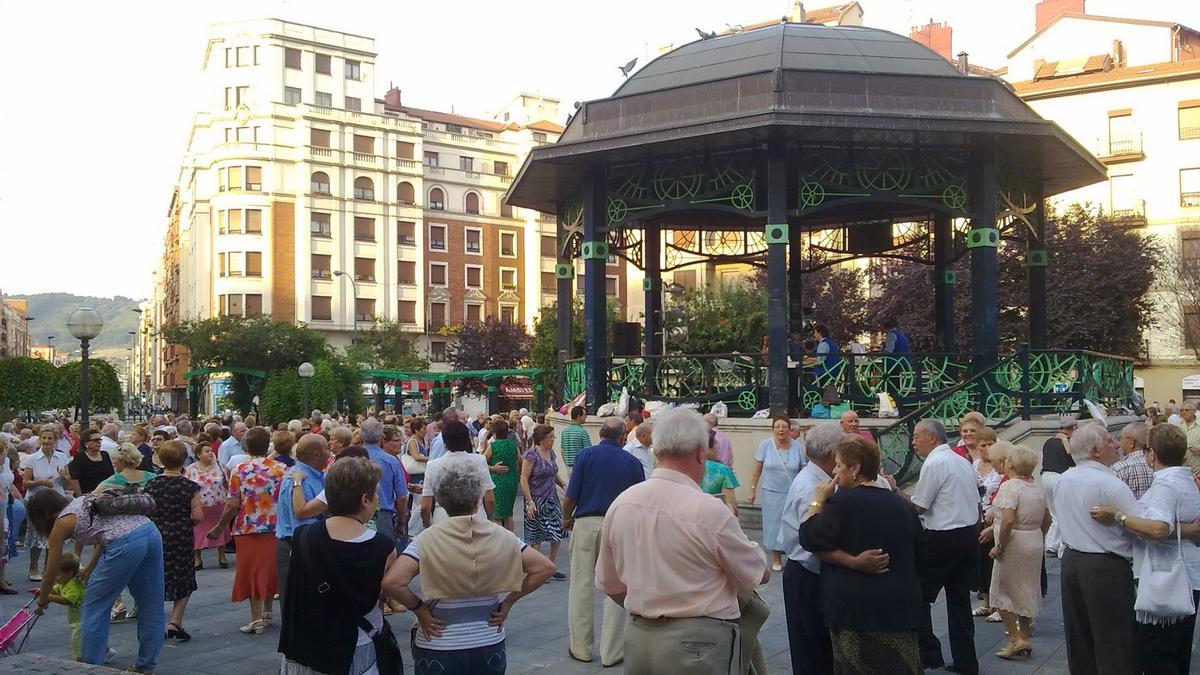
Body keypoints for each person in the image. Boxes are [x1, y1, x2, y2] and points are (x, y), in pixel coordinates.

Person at [596, 407, 768, 675]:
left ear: (656, 450)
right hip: (698, 642)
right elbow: (759, 572)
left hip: (640, 636)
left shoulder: (622, 504)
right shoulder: (708, 511)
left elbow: (610, 584)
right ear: (701, 452)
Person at [383, 453, 556, 674]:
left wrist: (420, 609)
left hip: (440, 640)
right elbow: (545, 568)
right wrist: (510, 601)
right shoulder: (503, 536)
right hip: (488, 637)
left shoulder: (427, 539)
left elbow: (392, 582)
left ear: (441, 501)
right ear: (477, 500)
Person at [799, 435, 924, 674]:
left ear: (854, 468)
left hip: (854, 610)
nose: (834, 471)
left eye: (838, 465)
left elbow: (809, 537)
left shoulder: (841, 503)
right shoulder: (901, 504)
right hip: (898, 606)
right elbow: (920, 550)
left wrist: (816, 502)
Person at [1090, 423, 1200, 675]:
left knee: (1156, 653)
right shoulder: (1185, 479)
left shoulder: (1166, 485)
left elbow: (1159, 528)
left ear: (1152, 454)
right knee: (1175, 650)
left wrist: (1118, 516)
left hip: (1167, 576)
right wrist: (1187, 530)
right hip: (1185, 574)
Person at [781, 422, 889, 675]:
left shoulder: (822, 481)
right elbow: (813, 542)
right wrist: (854, 562)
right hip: (808, 575)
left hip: (813, 573)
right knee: (813, 651)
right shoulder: (814, 487)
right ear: (833, 454)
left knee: (820, 650)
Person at [279, 456, 399, 675]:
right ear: (365, 499)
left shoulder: (302, 536)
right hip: (354, 647)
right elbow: (386, 593)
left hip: (304, 648)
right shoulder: (383, 547)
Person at [27, 485, 165, 671]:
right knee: (151, 604)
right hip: (150, 531)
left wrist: (42, 602)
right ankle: (146, 666)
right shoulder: (82, 501)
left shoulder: (61, 523)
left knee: (95, 606)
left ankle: (92, 667)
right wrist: (90, 568)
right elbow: (103, 536)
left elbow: (50, 573)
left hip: (125, 543)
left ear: (39, 516)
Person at [1052, 422, 1140, 674]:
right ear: (1095, 451)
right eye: (1110, 442)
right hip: (1105, 566)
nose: (1116, 446)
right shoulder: (1109, 484)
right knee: (1114, 639)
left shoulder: (1064, 479)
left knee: (1079, 637)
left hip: (1072, 561)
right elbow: (1138, 524)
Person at [564, 417, 645, 666]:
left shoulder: (585, 456)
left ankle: (581, 648)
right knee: (617, 587)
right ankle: (612, 651)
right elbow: (639, 500)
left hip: (587, 521)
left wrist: (567, 518)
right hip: (619, 525)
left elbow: (571, 494)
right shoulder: (633, 462)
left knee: (580, 584)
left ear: (600, 433)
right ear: (623, 438)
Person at [907, 419, 979, 674]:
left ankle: (928, 654)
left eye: (916, 436)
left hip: (944, 537)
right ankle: (966, 661)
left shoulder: (935, 463)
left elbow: (919, 506)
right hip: (969, 534)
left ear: (931, 437)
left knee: (918, 595)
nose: (913, 442)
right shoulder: (961, 460)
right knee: (959, 600)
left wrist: (894, 491)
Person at [206, 426, 286, 635]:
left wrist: (219, 527)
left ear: (247, 446)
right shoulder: (280, 469)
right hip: (274, 526)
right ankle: (268, 611)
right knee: (269, 569)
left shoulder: (240, 470)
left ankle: (256, 618)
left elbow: (233, 504)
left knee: (251, 571)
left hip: (248, 527)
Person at [986, 443, 1049, 660]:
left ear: (1012, 463)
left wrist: (999, 545)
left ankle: (1015, 638)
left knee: (1001, 590)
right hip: (1033, 539)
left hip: (1015, 543)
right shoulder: (1036, 487)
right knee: (1026, 589)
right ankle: (1023, 634)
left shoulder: (1011, 487)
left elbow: (1008, 519)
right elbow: (1047, 519)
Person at [144, 441, 202, 643]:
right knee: (184, 577)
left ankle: (156, 621)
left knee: (157, 577)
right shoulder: (190, 486)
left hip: (157, 535)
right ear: (184, 460)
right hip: (181, 536)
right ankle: (175, 621)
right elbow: (197, 516)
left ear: (160, 460)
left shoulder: (151, 484)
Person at [275, 433, 330, 609]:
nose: (329, 453)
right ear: (316, 454)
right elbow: (301, 514)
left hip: (297, 542)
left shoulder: (303, 474)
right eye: (327, 449)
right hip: (300, 544)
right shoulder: (302, 478)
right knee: (300, 599)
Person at [749, 415, 805, 571]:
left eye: (784, 426)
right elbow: (756, 470)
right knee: (773, 524)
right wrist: (752, 490)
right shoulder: (765, 445)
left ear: (789, 429)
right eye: (777, 426)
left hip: (792, 492)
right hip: (771, 492)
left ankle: (793, 554)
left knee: (793, 524)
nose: (781, 430)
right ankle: (776, 557)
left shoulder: (798, 447)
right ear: (773, 429)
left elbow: (803, 470)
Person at [21, 424, 72, 581]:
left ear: (55, 440)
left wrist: (64, 477)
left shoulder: (62, 457)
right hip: (37, 501)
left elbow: (67, 482)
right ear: (40, 439)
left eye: (50, 438)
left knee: (54, 535)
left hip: (56, 500)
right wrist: (40, 481)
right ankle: (33, 568)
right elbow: (25, 482)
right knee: (37, 535)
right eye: (44, 438)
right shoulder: (32, 458)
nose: (46, 441)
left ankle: (49, 568)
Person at [421, 422, 496, 527]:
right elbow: (489, 498)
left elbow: (425, 506)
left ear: (444, 442)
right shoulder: (479, 460)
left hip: (443, 520)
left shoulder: (432, 465)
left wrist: (427, 524)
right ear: (466, 440)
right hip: (476, 517)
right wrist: (490, 518)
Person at [520, 424, 567, 579]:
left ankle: (551, 565)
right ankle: (538, 569)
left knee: (558, 531)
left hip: (551, 498)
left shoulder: (551, 453)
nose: (553, 439)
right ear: (542, 438)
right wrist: (530, 502)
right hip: (536, 499)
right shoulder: (531, 455)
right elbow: (524, 479)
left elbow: (553, 473)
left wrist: (564, 484)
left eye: (553, 436)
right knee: (536, 536)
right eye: (550, 437)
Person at [359, 418, 408, 546]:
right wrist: (401, 522)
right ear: (381, 437)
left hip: (355, 515)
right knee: (385, 557)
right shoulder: (391, 461)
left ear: (361, 436)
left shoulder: (353, 458)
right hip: (383, 516)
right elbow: (402, 497)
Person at [184, 440, 230, 569]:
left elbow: (227, 482)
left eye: (211, 451)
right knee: (198, 531)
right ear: (198, 454)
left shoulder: (219, 466)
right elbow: (187, 485)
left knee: (220, 528)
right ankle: (197, 558)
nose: (210, 453)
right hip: (200, 506)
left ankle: (222, 556)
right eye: (207, 451)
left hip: (218, 504)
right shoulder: (191, 469)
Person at [972, 427, 1002, 620]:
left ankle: (1001, 604)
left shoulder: (999, 466)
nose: (987, 448)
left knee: (995, 560)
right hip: (977, 514)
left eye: (991, 444)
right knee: (981, 560)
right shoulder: (974, 464)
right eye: (983, 445)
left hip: (994, 514)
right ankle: (986, 601)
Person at [40, 551, 85, 660]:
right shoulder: (64, 582)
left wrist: (48, 597)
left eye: (58, 575)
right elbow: (54, 590)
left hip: (81, 621)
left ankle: (80, 660)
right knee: (89, 637)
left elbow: (67, 600)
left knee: (77, 640)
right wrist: (42, 593)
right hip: (76, 620)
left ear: (70, 573)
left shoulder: (74, 586)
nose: (56, 578)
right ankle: (105, 650)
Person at [1041, 416, 1077, 555]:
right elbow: (1071, 455)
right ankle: (1062, 546)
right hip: (1059, 477)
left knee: (1053, 513)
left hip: (1046, 476)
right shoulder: (1066, 441)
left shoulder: (1049, 441)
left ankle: (1051, 544)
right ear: (1073, 428)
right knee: (1064, 511)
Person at [483, 418, 519, 530]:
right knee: (508, 514)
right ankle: (511, 540)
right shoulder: (513, 445)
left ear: (494, 433)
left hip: (497, 481)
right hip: (512, 481)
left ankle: (500, 541)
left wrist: (493, 468)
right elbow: (522, 460)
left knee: (497, 514)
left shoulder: (493, 446)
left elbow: (481, 463)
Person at [700, 431, 739, 515]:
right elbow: (731, 504)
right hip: (714, 516)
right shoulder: (722, 470)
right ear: (708, 448)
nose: (719, 447)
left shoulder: (687, 466)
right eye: (716, 443)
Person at [1113, 421, 1154, 499]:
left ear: (1131, 442)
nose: (1118, 444)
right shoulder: (1158, 464)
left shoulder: (1120, 469)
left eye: (1120, 438)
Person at [68, 429, 115, 496]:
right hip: (87, 496)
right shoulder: (80, 458)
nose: (99, 442)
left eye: (100, 440)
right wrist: (80, 498)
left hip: (106, 495)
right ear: (86, 443)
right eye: (95, 440)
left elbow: (111, 475)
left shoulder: (105, 455)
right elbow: (75, 480)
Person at [560, 405, 591, 470]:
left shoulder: (564, 431)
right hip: (580, 467)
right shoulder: (582, 432)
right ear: (578, 416)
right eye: (584, 415)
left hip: (568, 467)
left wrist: (567, 464)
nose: (586, 417)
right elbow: (588, 452)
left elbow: (562, 450)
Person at [1179, 400, 1200, 475]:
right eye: (1182, 410)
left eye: (1187, 410)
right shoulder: (1178, 425)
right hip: (1182, 469)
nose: (1183, 412)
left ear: (1194, 411)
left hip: (1197, 470)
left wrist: (1198, 449)